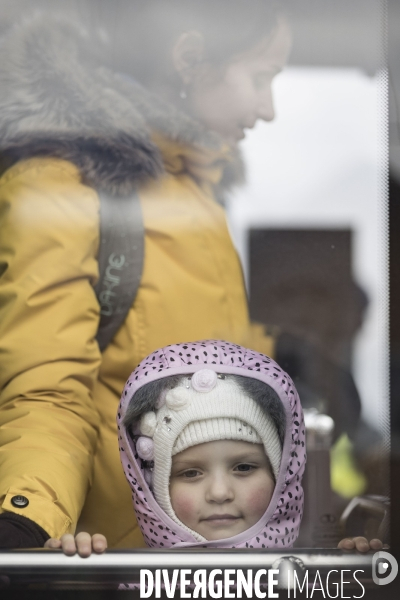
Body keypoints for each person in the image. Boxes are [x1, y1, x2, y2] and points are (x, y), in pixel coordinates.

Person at [0, 1, 292, 549]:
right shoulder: (61, 185)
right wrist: (26, 521)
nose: (269, 107)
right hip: (110, 565)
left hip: (201, 565)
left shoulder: (198, 194)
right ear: (189, 59)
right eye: (261, 76)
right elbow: (47, 393)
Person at [44, 340, 383, 556]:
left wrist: (356, 578)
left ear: (283, 473)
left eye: (244, 467)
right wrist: (68, 577)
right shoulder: (121, 584)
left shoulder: (313, 583)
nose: (220, 492)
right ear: (152, 489)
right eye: (190, 473)